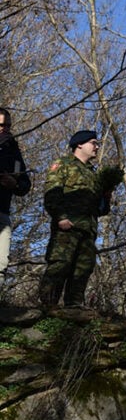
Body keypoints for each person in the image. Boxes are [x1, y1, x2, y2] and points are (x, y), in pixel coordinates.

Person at [38, 130, 112, 308]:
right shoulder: (63, 164)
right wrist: (60, 218)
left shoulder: (93, 174)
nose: (96, 147)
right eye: (93, 143)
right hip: (67, 226)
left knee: (83, 268)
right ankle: (47, 307)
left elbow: (100, 210)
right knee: (60, 265)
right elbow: (52, 194)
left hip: (88, 230)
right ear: (80, 144)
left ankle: (74, 306)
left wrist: (106, 196)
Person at [0, 108, 31, 288]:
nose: (5, 129)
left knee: (1, 263)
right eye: (1, 125)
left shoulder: (13, 151)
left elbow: (25, 183)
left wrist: (15, 184)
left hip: (3, 212)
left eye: (8, 126)